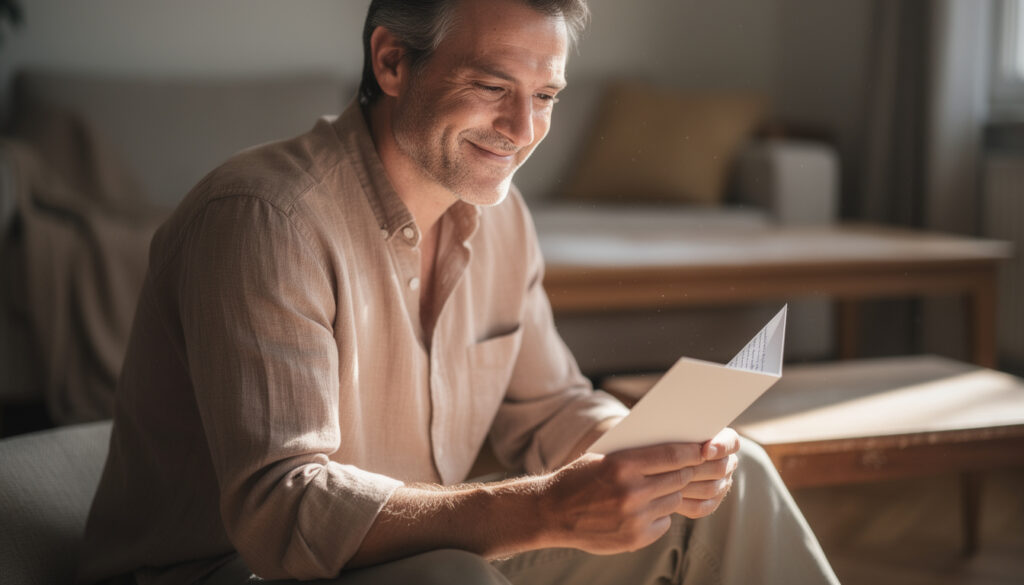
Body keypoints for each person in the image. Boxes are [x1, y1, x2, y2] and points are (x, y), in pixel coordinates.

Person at [77, 1, 840, 584]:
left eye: (546, 95)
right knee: (452, 574)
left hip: (410, 554)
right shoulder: (265, 219)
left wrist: (648, 454)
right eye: (491, 86)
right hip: (233, 569)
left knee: (736, 484)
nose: (522, 128)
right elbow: (284, 508)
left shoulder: (500, 216)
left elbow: (550, 406)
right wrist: (545, 507)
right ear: (391, 62)